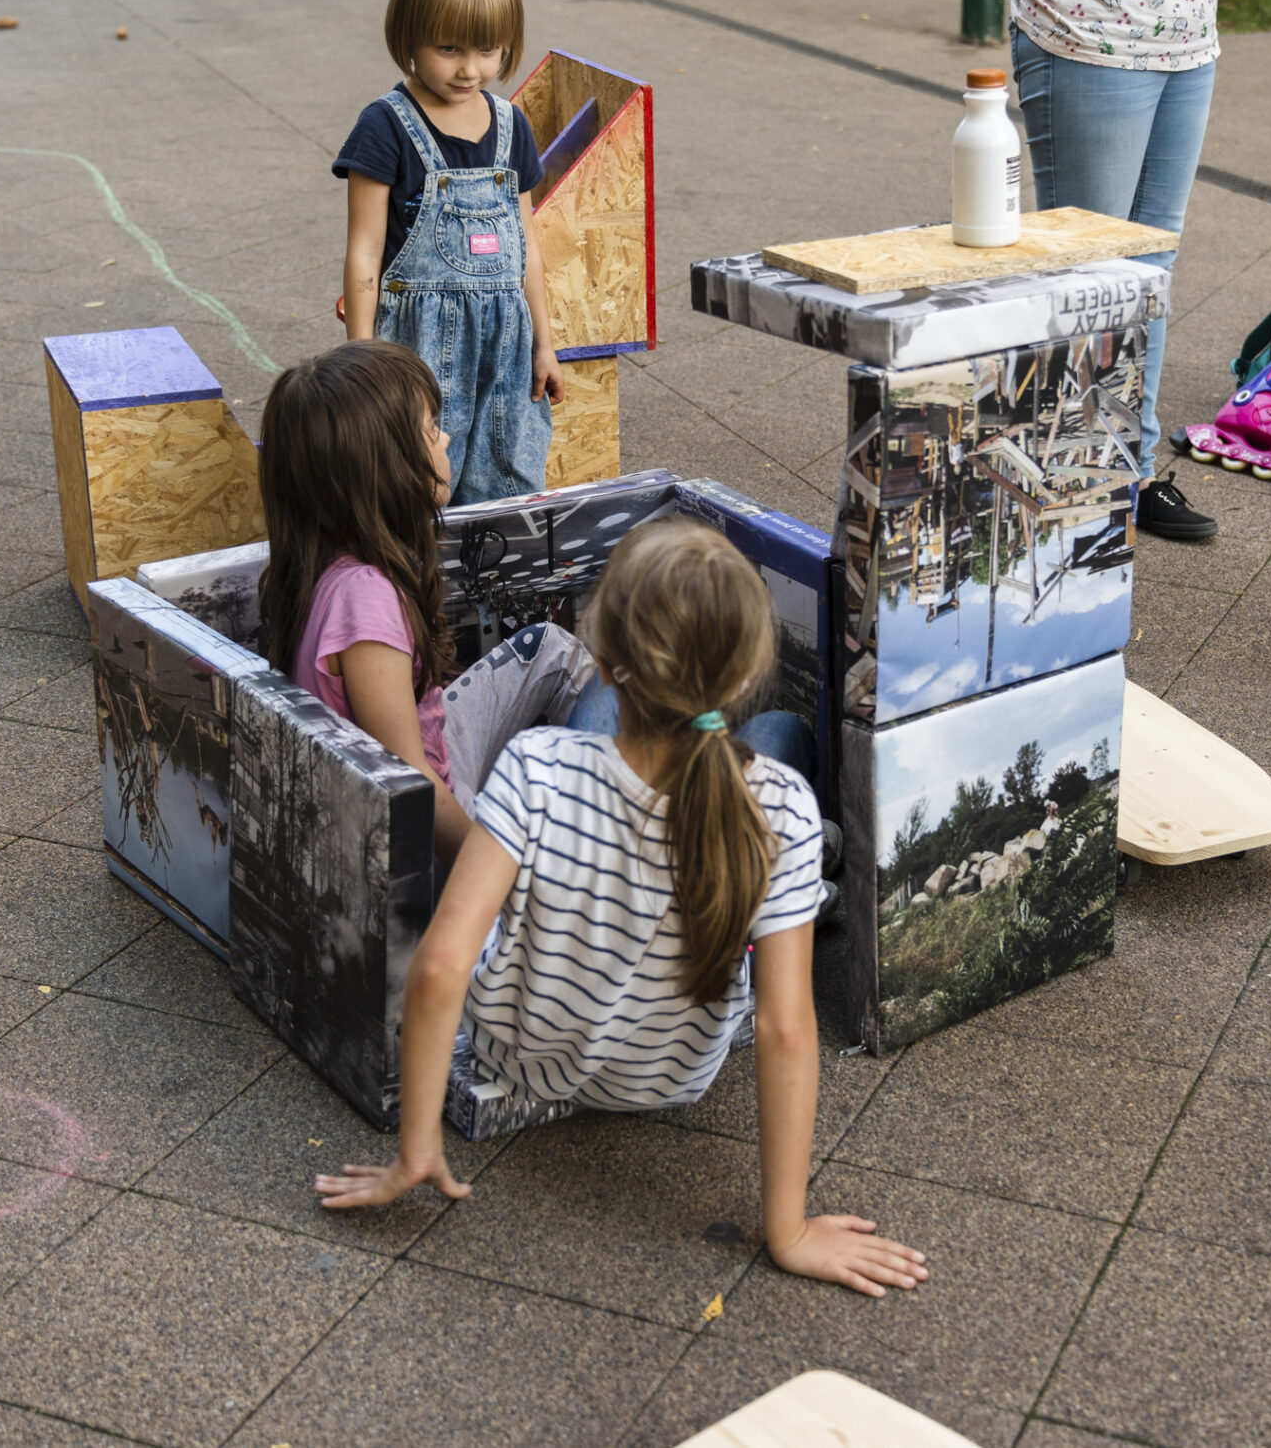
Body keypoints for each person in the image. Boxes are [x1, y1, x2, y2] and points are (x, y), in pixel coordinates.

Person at [314, 518, 928, 1299]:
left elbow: (441, 965)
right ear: (743, 675)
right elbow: (783, 1026)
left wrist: (416, 1146)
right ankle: (805, 886)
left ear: (604, 663)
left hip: (522, 1058)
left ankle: (792, 879)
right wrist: (791, 1230)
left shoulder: (532, 767)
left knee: (635, 755)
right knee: (783, 736)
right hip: (670, 1077)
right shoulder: (782, 808)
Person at [994, 0, 1259, 543]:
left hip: (1184, 37)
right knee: (1088, 272)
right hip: (1088, 35)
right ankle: (1065, 480)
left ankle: (1129, 472)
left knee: (1149, 267)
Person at [335, 0, 562, 506]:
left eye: (488, 51)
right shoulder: (385, 127)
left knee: (506, 495)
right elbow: (364, 251)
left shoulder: (513, 128)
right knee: (410, 496)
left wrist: (545, 343)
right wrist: (362, 365)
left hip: (506, 361)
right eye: (449, 49)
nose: (470, 70)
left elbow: (525, 246)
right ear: (408, 35)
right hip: (416, 358)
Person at [258, 340, 475, 866]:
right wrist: (495, 871)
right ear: (386, 467)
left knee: (547, 649)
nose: (444, 437)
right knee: (562, 662)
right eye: (429, 429)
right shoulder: (369, 601)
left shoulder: (324, 559)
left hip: (433, 751)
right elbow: (410, 782)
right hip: (436, 853)